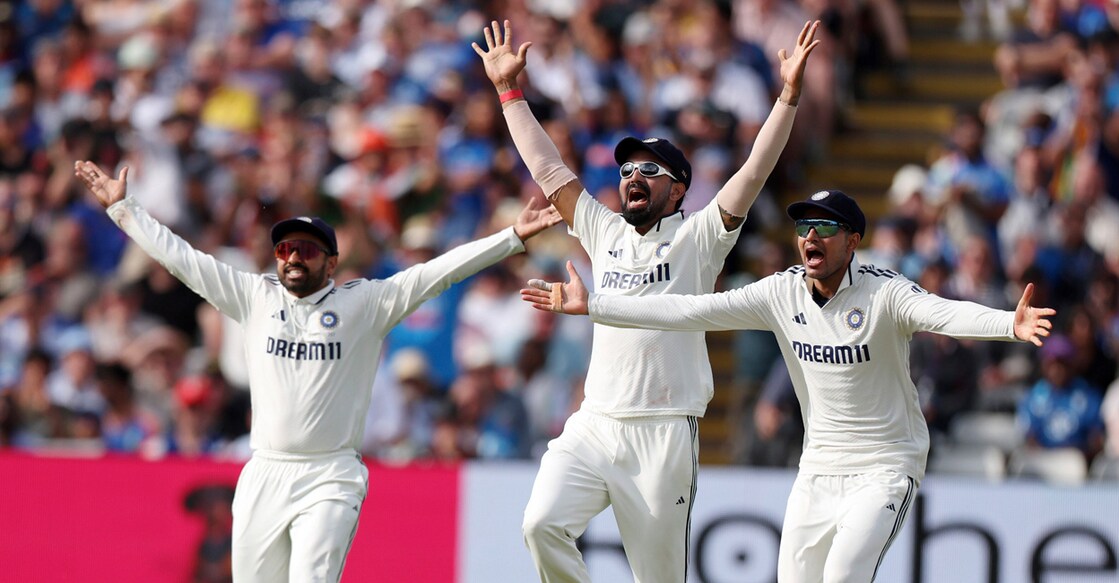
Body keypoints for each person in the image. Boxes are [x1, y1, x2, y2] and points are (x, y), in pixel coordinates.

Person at [522, 189, 1056, 582]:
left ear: (853, 241)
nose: (810, 238)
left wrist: (1008, 323)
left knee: (844, 576)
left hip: (885, 467)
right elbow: (689, 309)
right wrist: (594, 304)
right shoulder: (781, 293)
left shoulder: (885, 293)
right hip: (818, 469)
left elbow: (943, 313)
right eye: (804, 228)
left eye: (825, 228)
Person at [73, 160, 561, 582]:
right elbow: (183, 260)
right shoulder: (254, 296)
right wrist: (124, 209)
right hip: (265, 469)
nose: (293, 258)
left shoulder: (366, 302)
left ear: (331, 263)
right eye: (285, 249)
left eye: (306, 250)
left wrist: (512, 237)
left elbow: (439, 271)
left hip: (330, 473)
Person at [473, 18, 820, 582]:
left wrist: (788, 95)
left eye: (648, 170)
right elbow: (546, 167)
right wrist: (509, 92)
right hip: (596, 422)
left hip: (664, 432)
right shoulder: (604, 231)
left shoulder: (698, 238)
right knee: (540, 525)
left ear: (678, 188)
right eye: (627, 168)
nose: (632, 175)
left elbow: (755, 169)